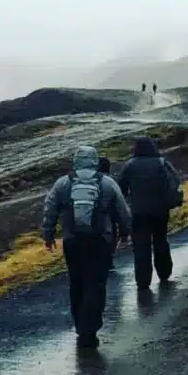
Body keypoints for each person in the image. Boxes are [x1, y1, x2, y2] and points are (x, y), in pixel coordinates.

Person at [42, 146, 132, 349]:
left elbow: (49, 209)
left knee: (77, 282)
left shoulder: (62, 183)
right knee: (96, 283)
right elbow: (123, 211)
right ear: (95, 160)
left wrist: (48, 235)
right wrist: (125, 233)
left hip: (72, 242)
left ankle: (80, 325)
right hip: (100, 241)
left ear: (76, 160)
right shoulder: (107, 183)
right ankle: (90, 327)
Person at [117, 136, 182, 289]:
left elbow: (121, 189)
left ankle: (143, 280)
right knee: (160, 240)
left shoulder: (130, 165)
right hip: (160, 211)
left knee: (140, 246)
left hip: (138, 213)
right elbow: (176, 181)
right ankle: (164, 273)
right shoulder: (161, 163)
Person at [97, 156, 121, 270]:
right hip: (110, 215)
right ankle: (109, 259)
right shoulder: (111, 181)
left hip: (92, 217)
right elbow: (119, 201)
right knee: (111, 237)